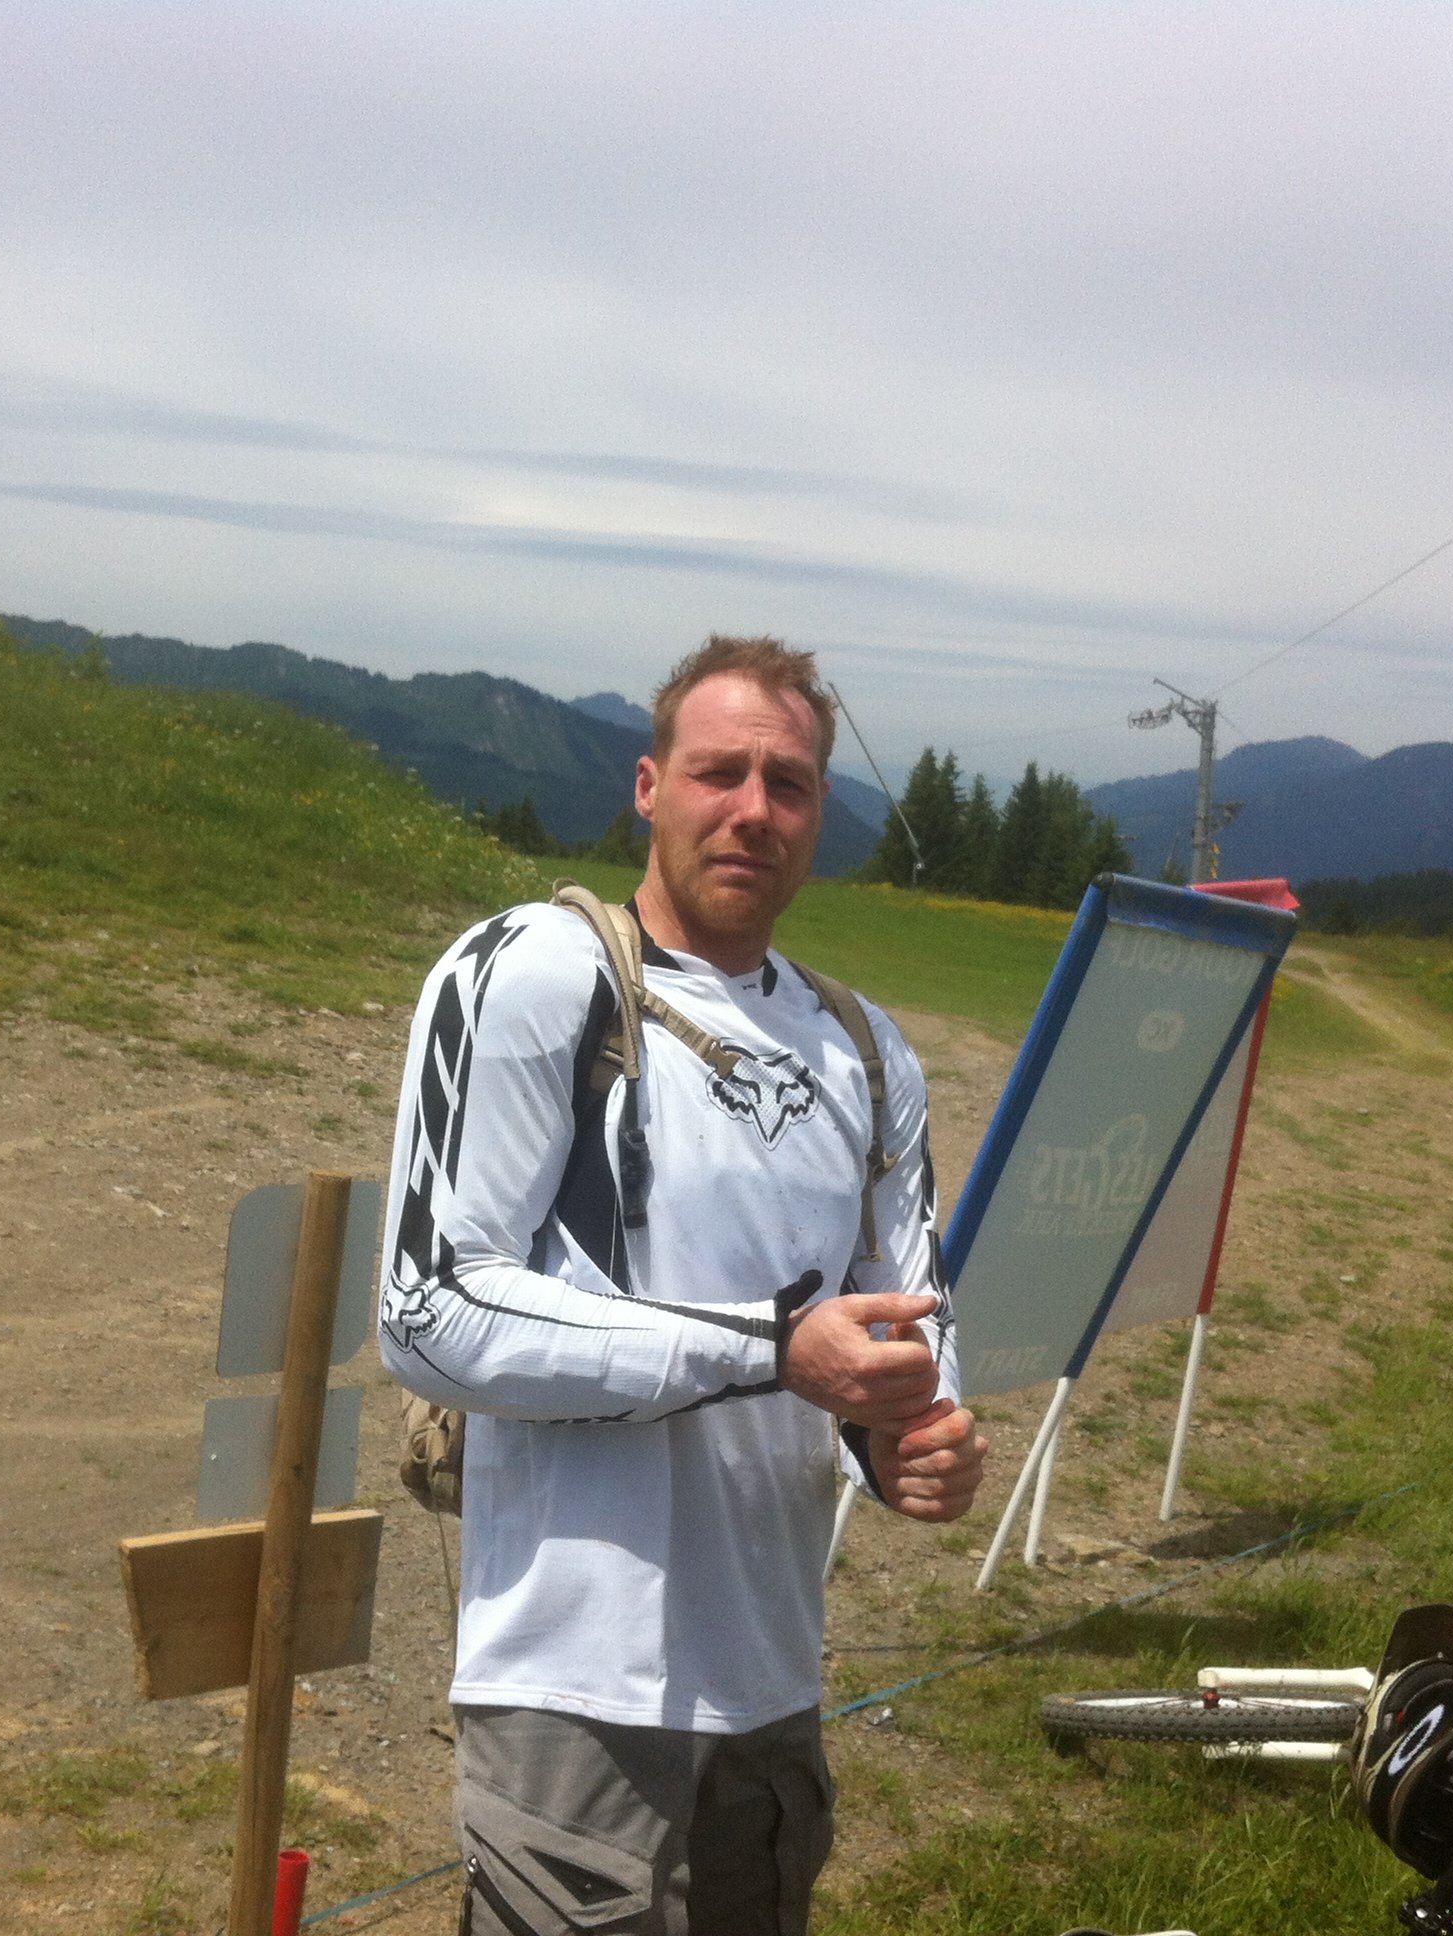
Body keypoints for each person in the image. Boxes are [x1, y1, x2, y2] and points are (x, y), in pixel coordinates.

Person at [380, 635, 990, 1935]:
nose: (754, 810)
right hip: (572, 1691)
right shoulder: (534, 970)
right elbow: (430, 1309)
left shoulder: (867, 1050)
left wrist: (915, 1437)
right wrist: (774, 1348)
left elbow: (908, 1325)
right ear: (649, 787)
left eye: (790, 784)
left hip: (771, 1686)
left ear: (820, 814)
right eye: (721, 773)